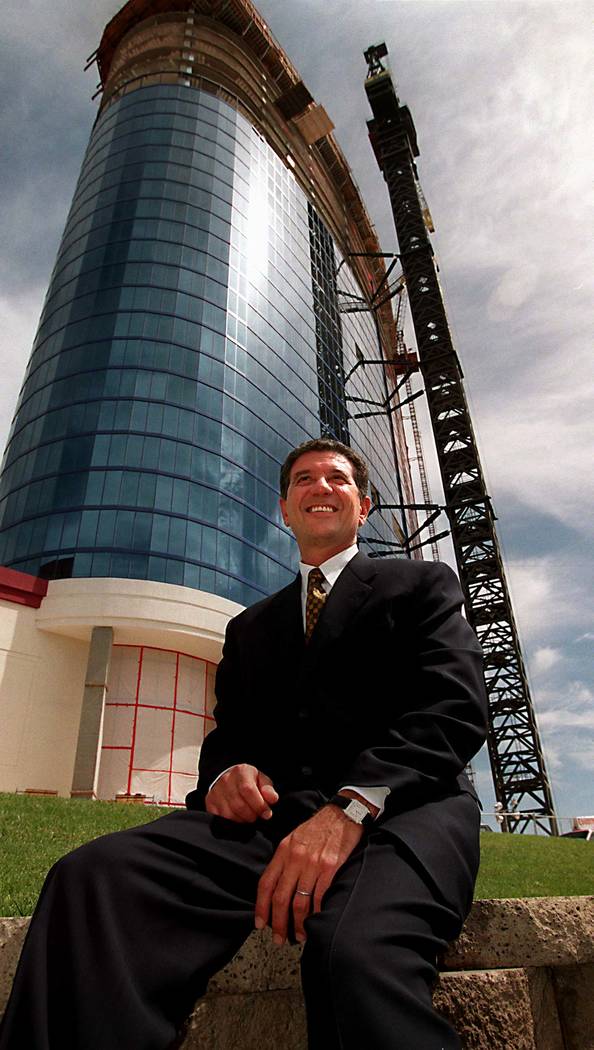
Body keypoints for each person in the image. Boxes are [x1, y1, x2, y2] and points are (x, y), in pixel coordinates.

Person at [0, 437, 488, 1050]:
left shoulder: (421, 586)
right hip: (275, 824)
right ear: (285, 509)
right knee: (91, 879)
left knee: (353, 956)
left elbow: (454, 709)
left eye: (337, 478)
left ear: (363, 507)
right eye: (304, 479)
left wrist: (352, 806)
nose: (320, 486)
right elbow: (229, 736)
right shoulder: (251, 626)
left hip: (406, 815)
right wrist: (226, 774)